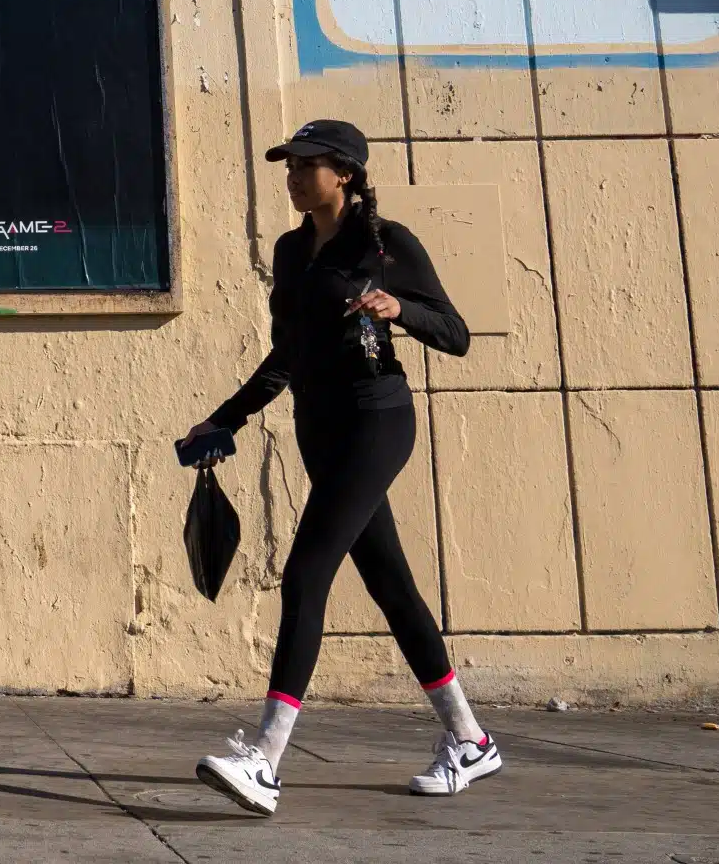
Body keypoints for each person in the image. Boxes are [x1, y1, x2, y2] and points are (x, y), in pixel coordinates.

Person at [188, 120, 500, 817]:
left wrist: (401, 308)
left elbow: (456, 333)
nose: (294, 177)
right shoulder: (291, 251)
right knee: (392, 586)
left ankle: (265, 759)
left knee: (306, 573)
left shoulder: (383, 244)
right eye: (289, 166)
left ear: (347, 174)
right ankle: (471, 739)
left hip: (376, 419)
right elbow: (287, 355)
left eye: (307, 165)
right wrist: (226, 418)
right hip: (320, 430)